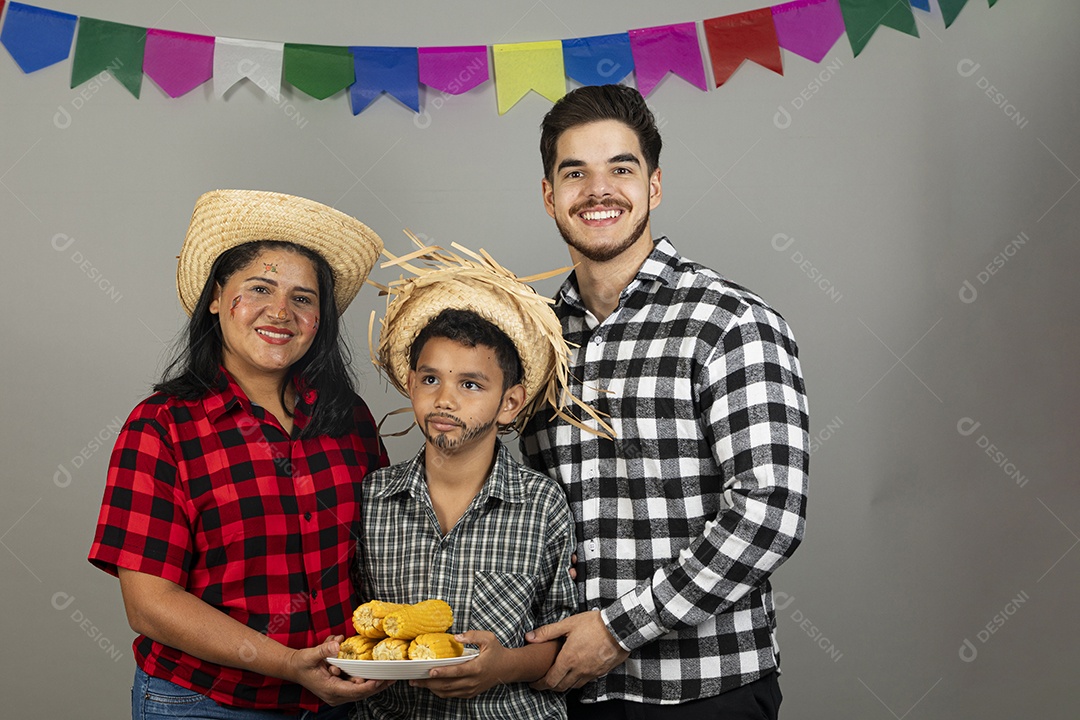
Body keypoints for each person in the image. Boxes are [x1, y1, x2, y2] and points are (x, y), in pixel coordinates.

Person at [520, 84, 810, 718]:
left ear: (653, 186)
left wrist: (622, 629)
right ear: (550, 196)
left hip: (701, 690)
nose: (599, 190)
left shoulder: (730, 322)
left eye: (620, 169)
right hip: (559, 690)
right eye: (575, 173)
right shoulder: (530, 339)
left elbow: (769, 513)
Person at [88, 189, 392, 719]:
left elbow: (385, 552)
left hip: (342, 701)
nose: (281, 312)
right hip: (204, 702)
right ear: (214, 297)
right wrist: (287, 662)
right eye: (259, 288)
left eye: (303, 297)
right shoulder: (161, 427)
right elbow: (150, 605)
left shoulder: (350, 419)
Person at [356, 245, 608, 719]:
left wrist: (502, 666)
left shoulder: (541, 504)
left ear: (510, 403)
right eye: (430, 380)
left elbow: (558, 641)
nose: (445, 399)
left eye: (471, 385)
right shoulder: (373, 500)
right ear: (411, 384)